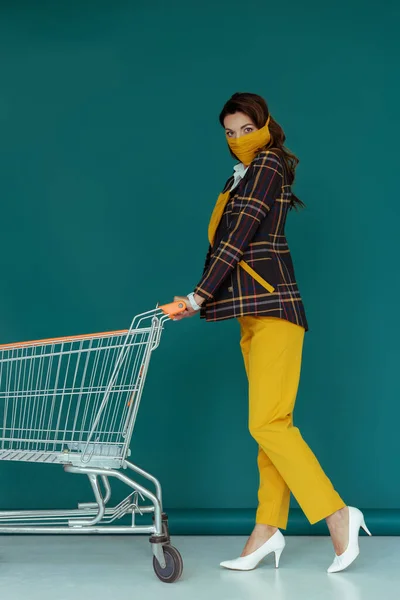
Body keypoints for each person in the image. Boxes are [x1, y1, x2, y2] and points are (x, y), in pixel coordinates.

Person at [171, 92, 371, 573]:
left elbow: (237, 238)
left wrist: (196, 297)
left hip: (275, 308)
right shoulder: (243, 174)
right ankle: (266, 530)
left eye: (246, 128)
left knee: (267, 423)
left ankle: (337, 513)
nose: (238, 139)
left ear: (264, 125)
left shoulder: (267, 166)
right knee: (271, 425)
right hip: (253, 312)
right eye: (230, 132)